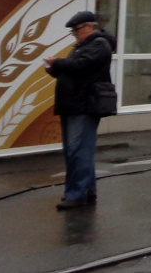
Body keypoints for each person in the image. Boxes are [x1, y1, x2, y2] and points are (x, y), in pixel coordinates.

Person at [44, 11, 116, 210]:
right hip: (73, 104)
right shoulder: (84, 46)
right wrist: (55, 69)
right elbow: (75, 68)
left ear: (88, 26)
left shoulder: (99, 44)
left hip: (84, 105)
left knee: (78, 150)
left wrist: (57, 63)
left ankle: (77, 194)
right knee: (76, 150)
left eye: (76, 30)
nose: (75, 34)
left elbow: (81, 66)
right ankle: (87, 191)